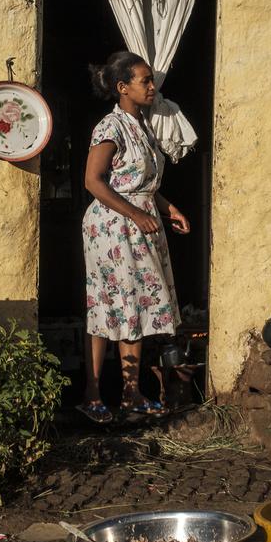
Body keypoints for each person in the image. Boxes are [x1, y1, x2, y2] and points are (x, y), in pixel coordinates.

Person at [76, 51, 190, 424]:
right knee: (106, 305)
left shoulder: (143, 126)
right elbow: (93, 181)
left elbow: (140, 182)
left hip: (140, 223)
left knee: (135, 306)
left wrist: (168, 207)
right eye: (145, 81)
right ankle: (93, 395)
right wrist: (137, 213)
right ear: (123, 87)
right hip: (112, 228)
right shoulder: (110, 127)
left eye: (151, 80)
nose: (152, 86)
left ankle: (131, 394)